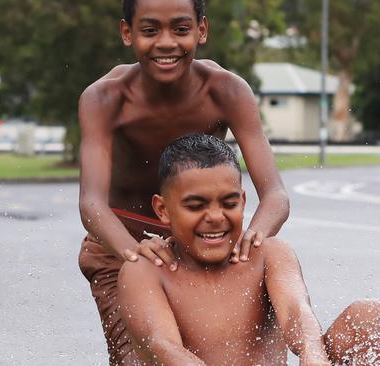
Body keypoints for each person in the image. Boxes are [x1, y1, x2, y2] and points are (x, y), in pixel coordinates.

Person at [77, 0, 289, 364]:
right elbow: (91, 204)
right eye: (149, 30)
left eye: (180, 29)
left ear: (201, 30)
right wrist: (132, 252)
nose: (166, 43)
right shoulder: (104, 98)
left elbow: (275, 196)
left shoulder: (226, 91)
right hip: (125, 246)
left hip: (204, 241)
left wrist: (252, 239)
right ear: (127, 33)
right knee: (144, 357)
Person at [117, 134, 380, 365]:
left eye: (229, 204)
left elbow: (295, 309)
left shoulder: (267, 253)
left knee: (373, 316)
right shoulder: (145, 269)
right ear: (163, 210)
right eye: (196, 206)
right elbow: (162, 345)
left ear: (242, 201)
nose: (216, 216)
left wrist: (312, 352)